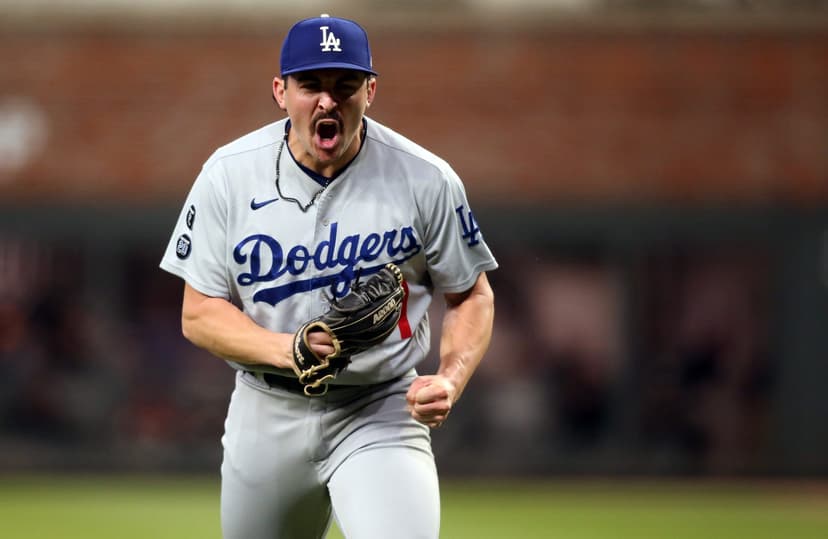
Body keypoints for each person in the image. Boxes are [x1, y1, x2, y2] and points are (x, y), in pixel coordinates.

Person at [160, 13, 497, 539]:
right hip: (266, 407)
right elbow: (198, 312)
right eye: (310, 84)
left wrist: (450, 378)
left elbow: (471, 295)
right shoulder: (228, 175)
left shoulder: (425, 178)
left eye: (345, 85)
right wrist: (286, 348)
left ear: (371, 90)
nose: (327, 100)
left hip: (380, 405)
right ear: (280, 91)